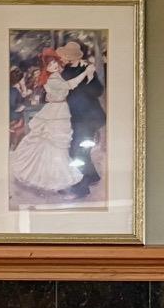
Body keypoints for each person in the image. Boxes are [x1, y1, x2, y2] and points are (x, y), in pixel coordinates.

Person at [9, 48, 95, 193]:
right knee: (54, 142)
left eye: (55, 62)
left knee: (57, 144)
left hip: (59, 109)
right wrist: (85, 73)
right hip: (56, 111)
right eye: (50, 64)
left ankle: (55, 174)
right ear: (46, 68)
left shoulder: (55, 75)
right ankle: (54, 176)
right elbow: (69, 85)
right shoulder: (52, 78)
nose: (54, 65)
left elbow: (58, 91)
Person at [56, 39, 106, 195]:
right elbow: (64, 91)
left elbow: (98, 91)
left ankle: (81, 188)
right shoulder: (65, 72)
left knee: (78, 151)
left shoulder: (89, 70)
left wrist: (90, 77)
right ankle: (91, 176)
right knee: (77, 149)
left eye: (68, 55)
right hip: (75, 117)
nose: (66, 58)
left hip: (90, 117)